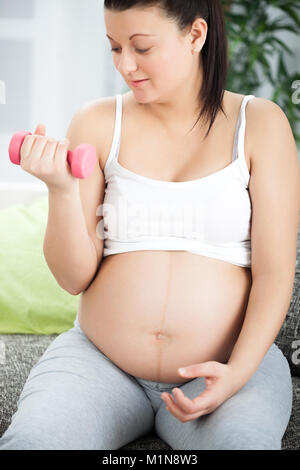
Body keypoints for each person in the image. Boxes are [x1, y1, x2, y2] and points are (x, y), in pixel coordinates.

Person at [1, 0, 299, 450]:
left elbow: (275, 274)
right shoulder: (97, 122)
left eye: (141, 47)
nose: (126, 65)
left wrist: (236, 373)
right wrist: (61, 190)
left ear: (195, 36)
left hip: (225, 367)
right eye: (115, 47)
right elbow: (72, 277)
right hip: (101, 365)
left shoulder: (259, 124)